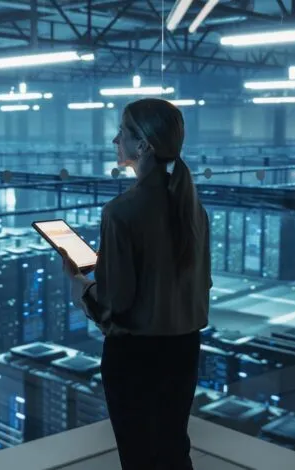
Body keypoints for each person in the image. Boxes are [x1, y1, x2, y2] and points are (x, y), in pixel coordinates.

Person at [59, 98, 212, 470]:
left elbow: (115, 304)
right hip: (183, 351)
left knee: (139, 457)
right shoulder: (193, 209)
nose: (115, 140)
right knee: (174, 449)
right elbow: (196, 283)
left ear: (142, 145)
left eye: (122, 133)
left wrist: (79, 283)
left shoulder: (120, 212)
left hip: (136, 359)